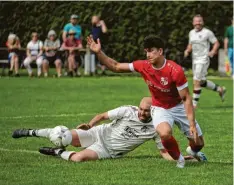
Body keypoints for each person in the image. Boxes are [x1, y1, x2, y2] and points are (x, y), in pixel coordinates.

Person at [87, 35, 207, 168]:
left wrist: (191, 124)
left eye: (151, 51)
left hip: (178, 107)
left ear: (160, 51)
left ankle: (192, 151)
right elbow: (116, 66)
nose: (148, 54)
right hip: (160, 107)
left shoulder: (175, 70)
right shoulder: (143, 66)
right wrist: (99, 52)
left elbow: (186, 98)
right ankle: (179, 159)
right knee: (165, 133)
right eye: (146, 51)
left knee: (199, 143)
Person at [12, 97, 183, 162]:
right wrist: (90, 125)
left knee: (78, 159)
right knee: (63, 135)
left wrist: (179, 158)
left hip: (107, 150)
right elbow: (102, 116)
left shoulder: (157, 128)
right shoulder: (128, 110)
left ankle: (56, 152)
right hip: (97, 133)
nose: (142, 112)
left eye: (146, 110)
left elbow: (164, 153)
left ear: (153, 110)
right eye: (141, 108)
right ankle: (30, 132)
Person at [184, 14, 226, 108]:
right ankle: (220, 89)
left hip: (203, 59)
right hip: (195, 60)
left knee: (196, 81)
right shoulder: (191, 33)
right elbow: (190, 44)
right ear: (193, 23)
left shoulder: (207, 32)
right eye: (196, 21)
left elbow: (216, 43)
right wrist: (187, 50)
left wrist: (212, 51)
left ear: (202, 22)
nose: (198, 23)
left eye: (200, 21)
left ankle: (194, 105)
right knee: (201, 82)